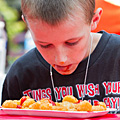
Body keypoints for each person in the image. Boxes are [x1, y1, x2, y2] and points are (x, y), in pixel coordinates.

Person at [2, 0, 120, 112]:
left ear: (94, 20)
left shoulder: (116, 55)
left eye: (71, 43)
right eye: (45, 45)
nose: (61, 59)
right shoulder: (21, 74)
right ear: (27, 24)